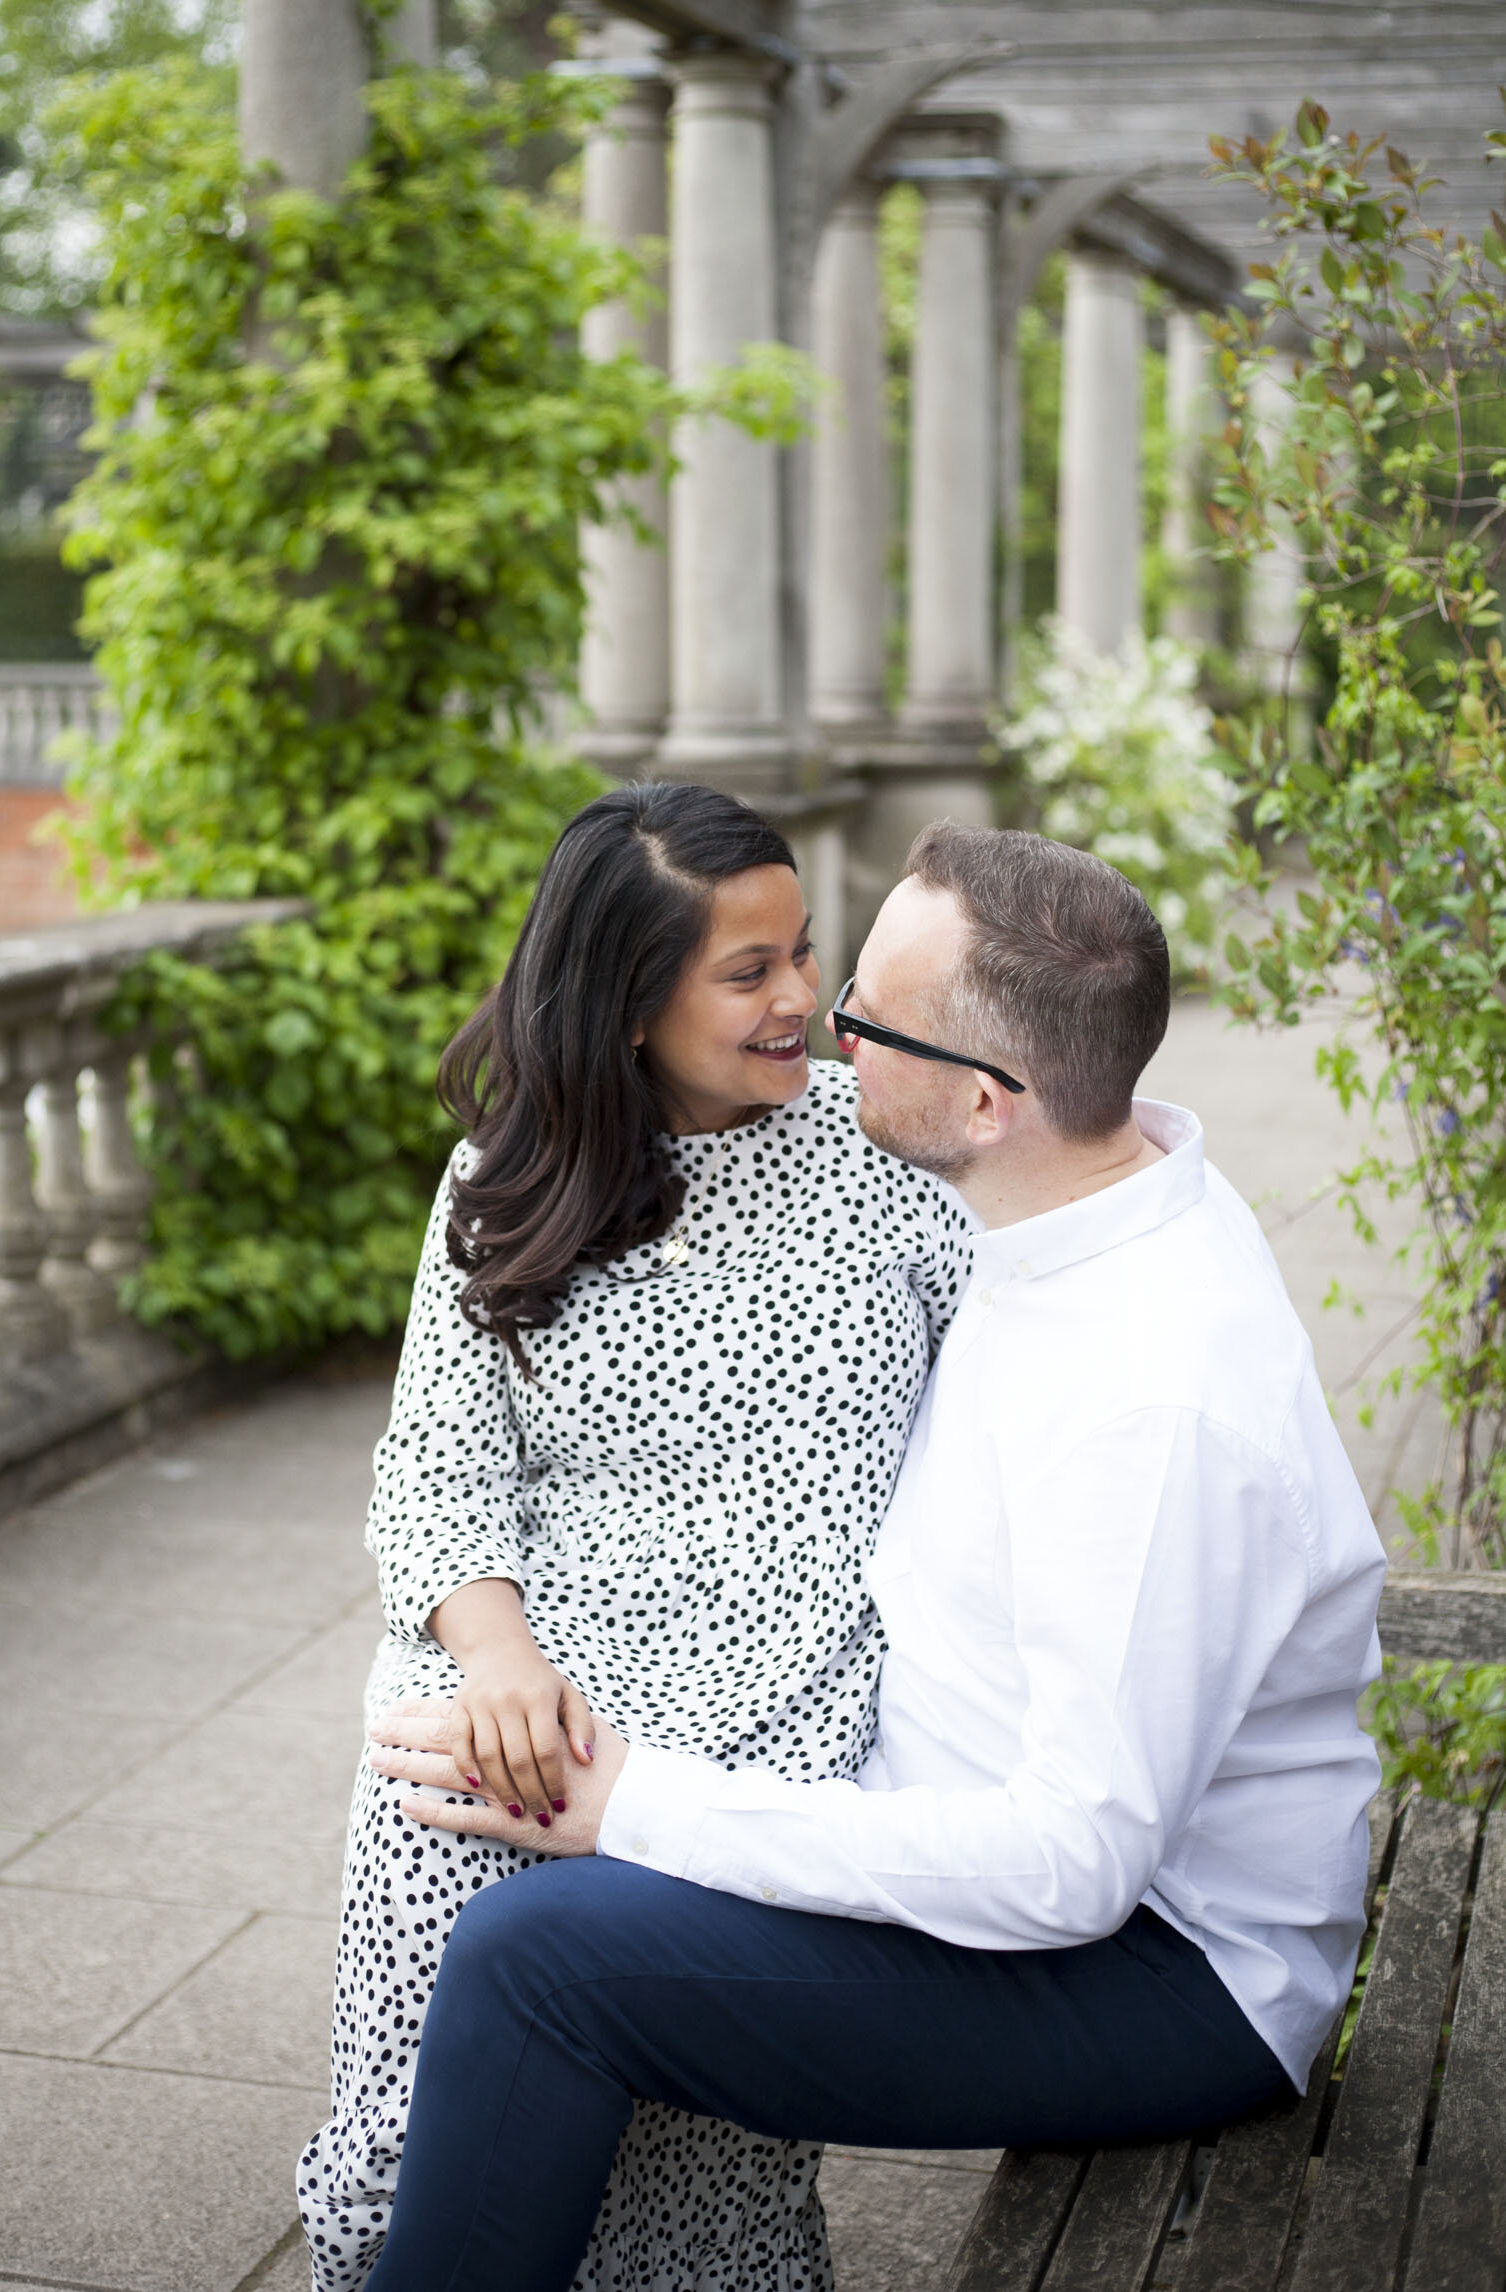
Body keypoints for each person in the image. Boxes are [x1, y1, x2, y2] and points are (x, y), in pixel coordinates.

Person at [366, 823, 1389, 2292]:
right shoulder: (1084, 1189)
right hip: (1005, 1837)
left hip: (1161, 1973)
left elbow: (1071, 1866)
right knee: (464, 1843)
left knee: (542, 1960)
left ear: (985, 1097)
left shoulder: (1153, 1408)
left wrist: (644, 1802)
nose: (825, 1025)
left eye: (863, 1009)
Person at [297, 783, 972, 2292]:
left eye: (806, 950)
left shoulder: (888, 1165)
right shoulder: (505, 1180)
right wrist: (498, 1657)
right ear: (623, 1000)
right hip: (529, 1686)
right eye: (751, 971)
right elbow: (434, 1468)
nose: (807, 998)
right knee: (434, 1965)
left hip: (771, 1716)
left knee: (670, 2079)